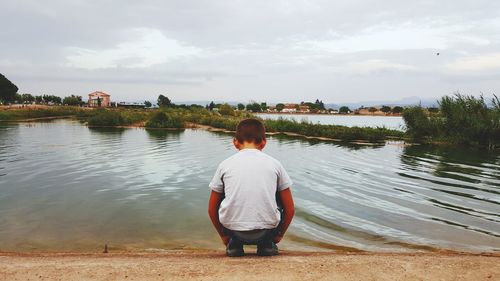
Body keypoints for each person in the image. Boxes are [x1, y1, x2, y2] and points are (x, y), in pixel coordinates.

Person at [208, 118, 295, 257]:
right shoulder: (275, 164)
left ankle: (234, 246)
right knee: (278, 193)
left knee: (222, 192)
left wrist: (224, 236)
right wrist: (279, 235)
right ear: (263, 142)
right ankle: (266, 246)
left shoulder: (225, 165)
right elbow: (290, 209)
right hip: (267, 232)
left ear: (235, 142)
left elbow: (211, 209)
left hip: (233, 232)